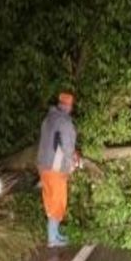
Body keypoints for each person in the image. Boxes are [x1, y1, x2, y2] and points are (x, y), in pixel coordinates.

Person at [37, 92, 77, 247]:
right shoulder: (65, 122)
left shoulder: (48, 119)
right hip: (55, 168)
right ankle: (52, 239)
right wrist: (70, 165)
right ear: (68, 106)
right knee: (58, 201)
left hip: (43, 166)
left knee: (50, 199)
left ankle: (55, 234)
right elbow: (67, 148)